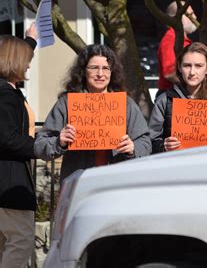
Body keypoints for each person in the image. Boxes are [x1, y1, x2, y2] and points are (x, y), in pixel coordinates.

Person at [34, 44, 151, 181]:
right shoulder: (67, 104)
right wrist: (59, 142)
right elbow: (40, 146)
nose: (100, 74)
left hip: (116, 182)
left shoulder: (126, 104)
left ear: (112, 72)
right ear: (84, 71)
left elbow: (146, 143)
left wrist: (133, 148)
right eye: (94, 68)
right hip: (78, 183)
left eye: (106, 68)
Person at [149, 42, 207, 152]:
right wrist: (163, 147)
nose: (192, 72)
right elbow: (150, 140)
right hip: (175, 165)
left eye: (198, 66)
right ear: (180, 67)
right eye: (187, 65)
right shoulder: (165, 100)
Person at [0, 25, 37, 268]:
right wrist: (42, 146)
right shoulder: (5, 94)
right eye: (25, 60)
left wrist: (30, 41)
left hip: (7, 179)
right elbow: (7, 138)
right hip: (9, 182)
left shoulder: (7, 90)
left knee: (5, 243)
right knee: (21, 240)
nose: (29, 65)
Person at [157, 1, 197, 91]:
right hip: (172, 95)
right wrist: (193, 87)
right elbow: (169, 73)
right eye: (190, 14)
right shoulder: (171, 40)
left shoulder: (180, 39)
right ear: (177, 17)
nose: (194, 17)